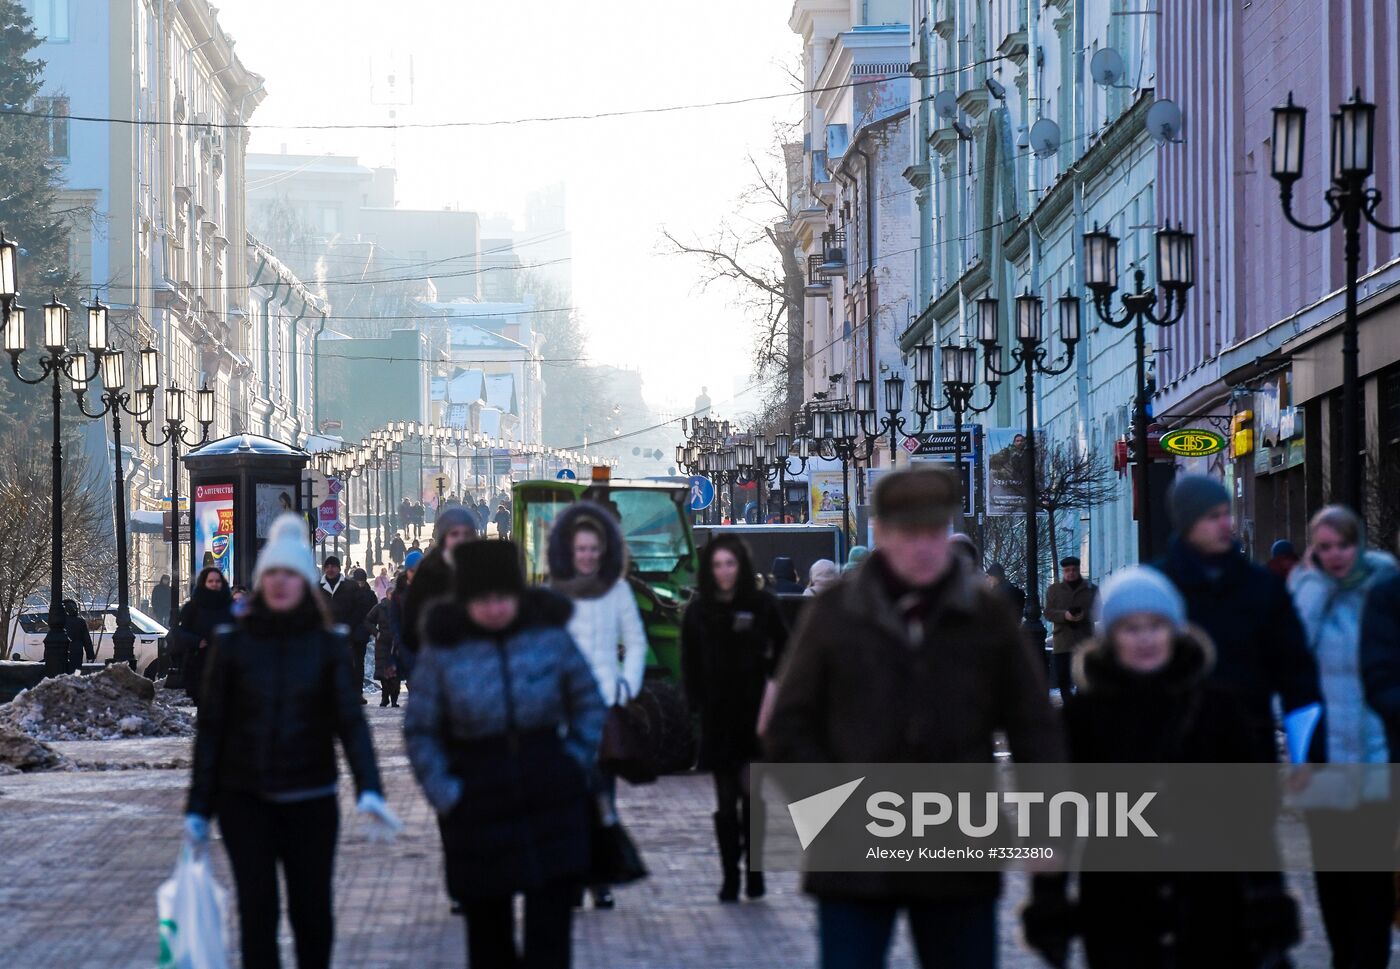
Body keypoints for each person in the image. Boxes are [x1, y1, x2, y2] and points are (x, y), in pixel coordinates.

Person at [764, 467, 1062, 968]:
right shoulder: (837, 612)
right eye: (909, 534)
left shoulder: (984, 617)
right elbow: (789, 724)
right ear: (880, 533)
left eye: (934, 533)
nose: (924, 547)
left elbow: (1034, 729)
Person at [1023, 566, 1300, 969]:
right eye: (1130, 628)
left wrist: (1266, 896)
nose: (1145, 639)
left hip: (1212, 904)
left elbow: (1251, 818)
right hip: (1118, 906)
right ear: (1111, 637)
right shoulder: (1084, 718)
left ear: (1175, 629)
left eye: (1155, 625)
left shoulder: (1218, 710)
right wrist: (1049, 901)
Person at [184, 514, 400, 969]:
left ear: (305, 583)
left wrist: (370, 788)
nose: (281, 583)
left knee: (312, 914)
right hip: (246, 801)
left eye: (291, 575)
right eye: (273, 575)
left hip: (312, 799)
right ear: (263, 583)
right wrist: (199, 808)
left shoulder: (326, 645)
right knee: (257, 914)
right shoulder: (233, 644)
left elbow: (350, 723)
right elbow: (213, 732)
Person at [405, 540, 606, 969]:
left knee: (549, 941)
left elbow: (588, 702)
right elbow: (421, 730)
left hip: (550, 794)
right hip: (477, 801)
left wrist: (573, 759)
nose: (494, 608)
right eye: (482, 600)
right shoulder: (444, 650)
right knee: (489, 941)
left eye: (503, 598)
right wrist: (446, 793)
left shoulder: (548, 637)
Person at [1288, 506, 1398, 969]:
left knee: (1372, 871)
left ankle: (1366, 959)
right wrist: (1314, 586)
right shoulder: (1306, 590)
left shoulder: (1384, 585)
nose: (1336, 557)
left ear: (1360, 543)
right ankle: (1342, 955)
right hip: (1324, 750)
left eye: (1344, 545)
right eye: (1325, 547)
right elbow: (1293, 654)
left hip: (1377, 748)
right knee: (1332, 871)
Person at [1154, 474, 1323, 763]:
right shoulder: (1158, 589)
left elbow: (1298, 676)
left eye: (1226, 514)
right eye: (1212, 516)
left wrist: (1307, 756)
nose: (1226, 524)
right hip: (1175, 753)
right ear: (1187, 522)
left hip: (1249, 748)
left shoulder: (1261, 587)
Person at [547, 502, 649, 910]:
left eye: (594, 549)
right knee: (569, 798)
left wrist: (628, 684)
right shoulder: (554, 591)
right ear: (569, 552)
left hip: (605, 706)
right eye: (581, 549)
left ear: (604, 551)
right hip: (564, 711)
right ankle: (572, 876)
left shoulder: (618, 590)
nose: (587, 556)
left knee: (603, 796)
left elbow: (637, 641)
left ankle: (601, 877)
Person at [683, 535, 789, 903]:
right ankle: (730, 875)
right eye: (717, 565)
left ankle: (755, 872)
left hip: (754, 715)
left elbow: (784, 655)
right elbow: (690, 663)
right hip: (717, 717)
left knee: (752, 796)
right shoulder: (699, 611)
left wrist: (773, 698)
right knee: (725, 802)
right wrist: (696, 706)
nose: (724, 572)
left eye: (730, 564)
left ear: (741, 566)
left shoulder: (761, 604)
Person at [168, 568, 233, 706]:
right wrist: (197, 641)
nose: (215, 584)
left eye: (217, 581)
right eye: (211, 581)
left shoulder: (230, 606)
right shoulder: (192, 607)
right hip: (198, 662)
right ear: (204, 583)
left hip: (226, 662)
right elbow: (178, 631)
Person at [1042, 556, 1097, 697]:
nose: (1071, 573)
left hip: (1084, 641)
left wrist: (1083, 615)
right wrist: (1065, 615)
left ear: (1078, 570)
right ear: (1063, 571)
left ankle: (1080, 707)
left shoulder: (1091, 589)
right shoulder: (1054, 590)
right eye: (1067, 570)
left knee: (1084, 678)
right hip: (1062, 642)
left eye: (1074, 569)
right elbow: (1048, 612)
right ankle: (1068, 706)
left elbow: (1098, 611)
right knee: (1063, 679)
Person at [366, 575, 404, 708]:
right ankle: (384, 697)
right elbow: (368, 621)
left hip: (396, 643)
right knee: (383, 674)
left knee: (395, 674)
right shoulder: (380, 607)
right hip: (382, 643)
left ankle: (393, 699)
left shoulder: (401, 608)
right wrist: (376, 633)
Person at [346, 568, 379, 703]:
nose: (359, 583)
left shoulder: (366, 595)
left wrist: (368, 629)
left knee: (358, 664)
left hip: (359, 633)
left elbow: (374, 614)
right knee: (354, 664)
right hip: (354, 633)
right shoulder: (352, 594)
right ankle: (354, 693)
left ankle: (356, 693)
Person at [319, 556, 358, 630]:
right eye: (327, 567)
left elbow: (358, 610)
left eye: (333, 566)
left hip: (347, 632)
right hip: (323, 633)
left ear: (339, 569)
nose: (330, 569)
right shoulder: (317, 587)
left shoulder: (351, 586)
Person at [62, 599, 94, 674]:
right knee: (76, 671)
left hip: (63, 650)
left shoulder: (60, 622)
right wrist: (90, 655)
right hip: (77, 651)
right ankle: (76, 682)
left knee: (63, 671)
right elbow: (87, 640)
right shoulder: (80, 622)